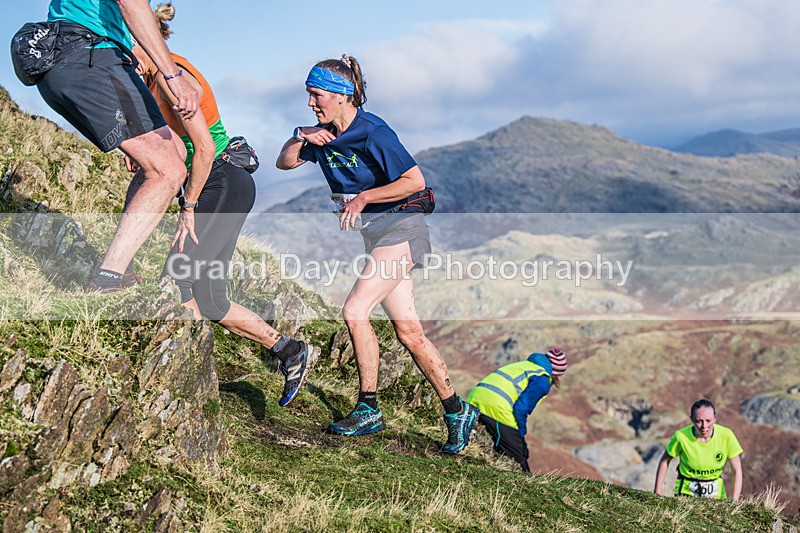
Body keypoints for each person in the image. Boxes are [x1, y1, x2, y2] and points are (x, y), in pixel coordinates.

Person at [276, 55, 478, 452]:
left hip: (402, 229)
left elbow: (414, 180)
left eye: (316, 95)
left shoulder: (373, 132)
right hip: (377, 235)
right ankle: (457, 409)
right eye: (308, 96)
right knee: (409, 333)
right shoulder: (321, 134)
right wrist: (301, 135)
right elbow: (283, 163)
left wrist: (364, 197)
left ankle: (368, 407)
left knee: (355, 309)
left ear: (341, 95)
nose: (311, 103)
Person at [128, 3, 314, 406]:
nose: (126, 51)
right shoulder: (150, 81)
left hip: (221, 183)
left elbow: (206, 148)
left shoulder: (172, 76)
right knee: (210, 299)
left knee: (176, 278)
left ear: (150, 37)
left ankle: (178, 386)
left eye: (131, 41)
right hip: (226, 186)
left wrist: (188, 207)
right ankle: (288, 350)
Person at [36, 0, 198, 293]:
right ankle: (108, 279)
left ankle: (123, 263)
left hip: (71, 57)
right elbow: (130, 3)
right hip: (90, 55)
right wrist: (173, 75)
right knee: (169, 170)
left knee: (175, 149)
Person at [466, 348, 567, 472]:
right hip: (496, 407)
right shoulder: (542, 380)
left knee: (507, 448)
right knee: (518, 459)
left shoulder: (525, 365)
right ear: (557, 374)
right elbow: (521, 409)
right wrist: (520, 434)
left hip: (474, 399)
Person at [653, 399, 744, 500]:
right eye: (699, 421)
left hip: (717, 497)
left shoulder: (727, 435)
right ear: (692, 419)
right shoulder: (681, 437)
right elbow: (665, 461)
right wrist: (657, 493)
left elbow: (737, 470)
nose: (704, 426)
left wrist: (735, 501)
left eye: (708, 421)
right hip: (685, 495)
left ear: (715, 418)